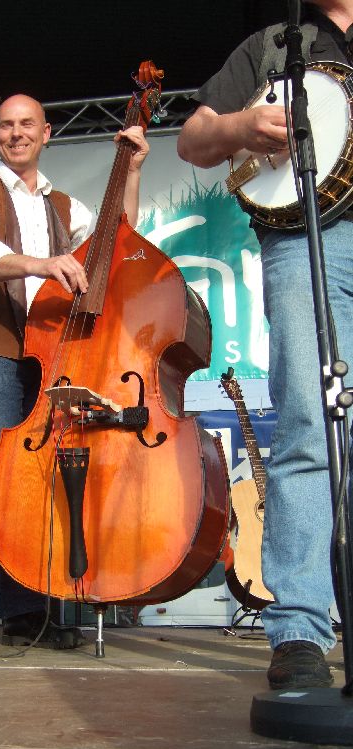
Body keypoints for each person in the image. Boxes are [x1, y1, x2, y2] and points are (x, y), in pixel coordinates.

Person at [176, 0, 353, 690]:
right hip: (304, 236)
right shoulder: (275, 44)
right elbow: (194, 138)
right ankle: (301, 627)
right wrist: (242, 126)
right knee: (310, 421)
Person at [0, 93, 150, 655]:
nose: (16, 133)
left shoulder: (65, 205)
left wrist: (131, 171)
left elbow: (118, 240)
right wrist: (44, 264)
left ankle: (26, 612)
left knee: (34, 480)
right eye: (6, 125)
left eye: (26, 124)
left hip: (54, 358)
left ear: (46, 132)